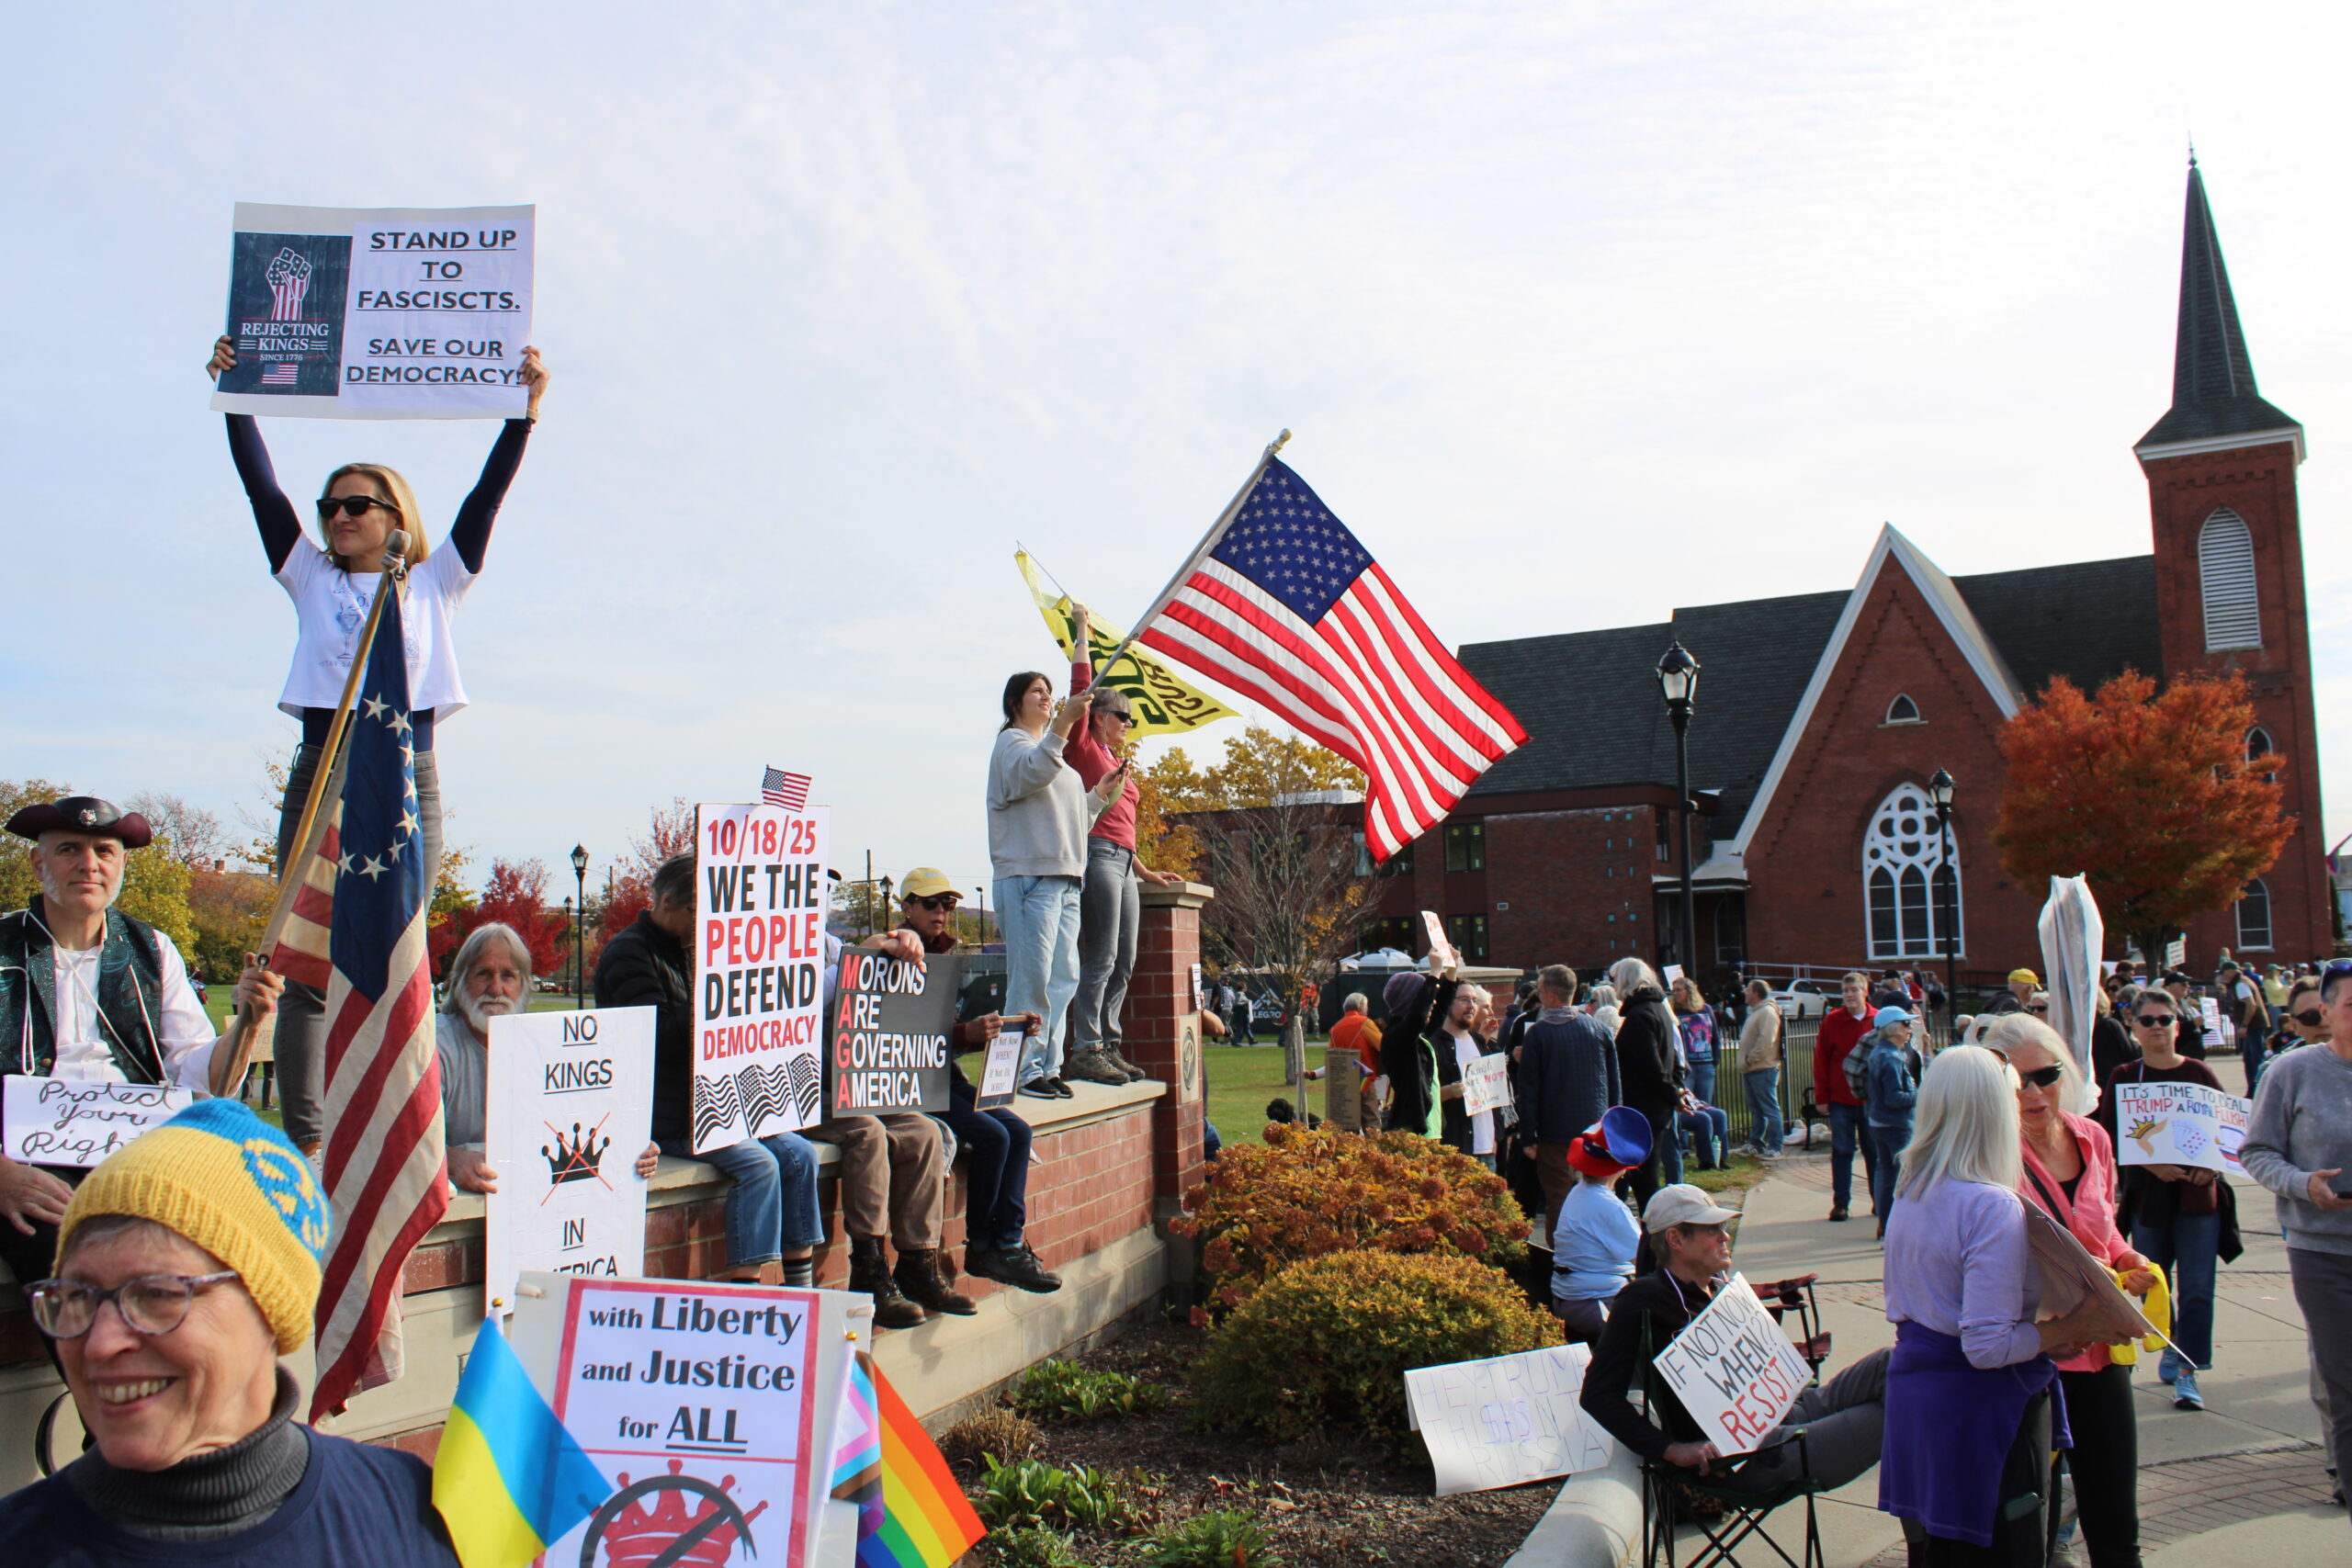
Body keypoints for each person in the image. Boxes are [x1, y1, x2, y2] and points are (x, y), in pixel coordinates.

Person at [208, 335, 548, 1162]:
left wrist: (523, 414)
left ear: (395, 517)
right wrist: (235, 397)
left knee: (394, 951)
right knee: (305, 960)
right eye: (331, 506)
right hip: (324, 770)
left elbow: (485, 501)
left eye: (357, 504)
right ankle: (311, 1144)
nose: (338, 517)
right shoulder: (310, 577)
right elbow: (263, 493)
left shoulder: (435, 581)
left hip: (404, 772)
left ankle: (391, 1139)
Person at [0, 1100, 459, 1562]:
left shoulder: (401, 1509)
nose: (99, 1344)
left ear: (268, 1306)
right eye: (76, 1298)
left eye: (156, 1296)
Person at [0, 798, 283, 1300]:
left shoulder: (152, 950)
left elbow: (196, 1076)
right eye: (69, 849)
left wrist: (246, 1024)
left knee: (226, 1238)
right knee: (67, 1255)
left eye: (104, 852)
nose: (89, 864)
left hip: (136, 1146)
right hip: (23, 1157)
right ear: (39, 863)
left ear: (121, 866)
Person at [1880, 1046, 2125, 1563]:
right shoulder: (1990, 1204)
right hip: (1982, 1419)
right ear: (1995, 1108)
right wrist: (2077, 1324)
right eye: (2013, 1094)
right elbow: (1987, 1347)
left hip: (1923, 1404)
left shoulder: (1913, 1186)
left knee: (1937, 1554)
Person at [595, 854, 823, 1292]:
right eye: (697, 911)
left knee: (802, 1154)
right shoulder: (630, 953)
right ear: (666, 902)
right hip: (670, 1116)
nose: (706, 921)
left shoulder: (691, 949)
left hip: (720, 1103)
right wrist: (713, 992)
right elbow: (653, 1040)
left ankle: (801, 1290)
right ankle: (746, 1293)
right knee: (759, 1166)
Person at [1981, 1014, 2160, 1564]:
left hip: (2103, 1351)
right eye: (2018, 1082)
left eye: (2046, 1074)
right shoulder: (1989, 1158)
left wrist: (2131, 1261)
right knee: (2028, 1530)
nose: (2034, 1092)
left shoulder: (2096, 1138)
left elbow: (2103, 1233)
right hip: (2035, 1357)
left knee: (2114, 1518)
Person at [1580, 1184, 1891, 1496]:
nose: (1725, 1236)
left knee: (1892, 1363)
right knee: (1900, 1410)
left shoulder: (1717, 1287)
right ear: (1675, 1239)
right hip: (1749, 1453)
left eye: (1723, 1227)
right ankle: (1929, 1540)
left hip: (1786, 1412)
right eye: (1712, 1229)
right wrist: (1669, 1449)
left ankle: (1931, 1534)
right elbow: (1598, 1394)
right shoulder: (1642, 1299)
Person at [891, 870, 1060, 1294]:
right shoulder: (890, 954)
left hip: (942, 1077)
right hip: (910, 1085)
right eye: (930, 903)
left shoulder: (942, 958)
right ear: (906, 906)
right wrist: (965, 1033)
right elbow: (900, 1035)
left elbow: (941, 1036)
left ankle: (1008, 1241)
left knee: (1018, 1131)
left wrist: (1007, 1029)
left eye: (947, 905)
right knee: (993, 1137)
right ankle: (983, 1245)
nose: (941, 913)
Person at [2236, 957, 2352, 1529]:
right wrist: (2304, 1185)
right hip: (2323, 1251)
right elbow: (2256, 1151)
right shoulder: (2294, 1072)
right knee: (2344, 1380)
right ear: (2326, 1012)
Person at [2090, 992, 2234, 1413]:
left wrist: (2214, 1165)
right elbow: (2109, 1135)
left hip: (2198, 1197)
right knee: (2154, 1282)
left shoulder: (2200, 1074)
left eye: (2165, 1019)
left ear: (2177, 1025)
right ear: (2134, 1028)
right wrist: (2152, 1167)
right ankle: (2171, 1342)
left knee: (2198, 1287)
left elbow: (2230, 1132)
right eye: (2148, 1019)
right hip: (2149, 1198)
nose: (2157, 1026)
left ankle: (2188, 1369)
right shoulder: (2125, 1075)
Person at [435, 921, 655, 1197]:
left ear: (524, 986)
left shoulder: (544, 1045)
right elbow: (400, 1144)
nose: (495, 988)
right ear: (459, 983)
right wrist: (450, 1160)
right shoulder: (436, 1045)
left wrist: (633, 1145)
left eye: (508, 976)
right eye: (483, 974)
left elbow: (582, 1121)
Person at [1061, 612, 1184, 1088]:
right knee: (1102, 955)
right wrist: (1082, 632)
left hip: (1124, 865)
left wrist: (1147, 872)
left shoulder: (1118, 762)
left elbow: (1124, 827)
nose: (1129, 723)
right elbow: (1080, 687)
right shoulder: (1084, 747)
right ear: (1098, 717)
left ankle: (1109, 1044)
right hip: (1096, 857)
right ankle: (1086, 1047)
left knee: (1126, 958)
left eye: (1131, 718)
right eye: (1122, 716)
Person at [989, 669, 1097, 1099]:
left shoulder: (1051, 753)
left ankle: (1046, 1066)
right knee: (1032, 978)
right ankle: (1020, 1071)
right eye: (1037, 691)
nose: (1047, 697)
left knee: (1063, 978)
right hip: (1029, 878)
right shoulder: (1012, 744)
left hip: (1066, 877)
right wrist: (1064, 725)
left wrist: (1099, 797)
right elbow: (1027, 776)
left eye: (1050, 692)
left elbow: (1070, 820)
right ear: (1015, 701)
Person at [1519, 964, 1621, 1236]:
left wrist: (1528, 1137)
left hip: (1555, 1134)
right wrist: (1613, 1129)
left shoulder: (1538, 1035)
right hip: (1596, 1131)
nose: (1538, 998)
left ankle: (1563, 1260)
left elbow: (1528, 1090)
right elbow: (1614, 1084)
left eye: (1540, 992)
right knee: (1598, 1196)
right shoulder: (1599, 1030)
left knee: (1560, 1199)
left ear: (1550, 995)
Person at [1549, 1108, 1651, 1344]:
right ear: (1623, 1168)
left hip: (1571, 1299)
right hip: (1595, 1303)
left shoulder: (1579, 1192)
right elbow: (1645, 1261)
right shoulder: (1608, 1206)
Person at [1607, 958, 1684, 1208]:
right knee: (1645, 1177)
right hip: (1654, 1107)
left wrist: (1674, 1094)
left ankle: (1654, 1237)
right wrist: (1675, 1091)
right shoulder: (1658, 1008)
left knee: (1645, 1181)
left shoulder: (1640, 1015)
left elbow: (1651, 1066)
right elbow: (1672, 1059)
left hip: (1643, 1110)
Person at [1813, 972, 1877, 1223]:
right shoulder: (1832, 1021)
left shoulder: (1878, 1019)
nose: (1849, 995)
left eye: (1854, 990)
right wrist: (1822, 1095)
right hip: (1841, 1100)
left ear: (1865, 992)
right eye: (1846, 991)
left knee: (1874, 1152)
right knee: (1842, 1150)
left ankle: (1879, 1200)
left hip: (1871, 1101)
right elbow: (1821, 1060)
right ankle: (1841, 1203)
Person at [1377, 960, 1461, 1140]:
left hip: (1432, 1127)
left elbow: (1440, 1011)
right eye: (1427, 998)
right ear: (1411, 1002)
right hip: (1413, 1129)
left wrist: (1451, 969)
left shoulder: (1416, 1036)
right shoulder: (1397, 1036)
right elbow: (1418, 1016)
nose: (1432, 1002)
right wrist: (1434, 972)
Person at [1860, 1006, 1922, 1237]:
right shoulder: (1892, 1058)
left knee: (1885, 1174)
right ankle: (1898, 1229)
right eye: (1906, 1025)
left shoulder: (1879, 1052)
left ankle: (1886, 1227)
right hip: (1897, 1126)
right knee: (1902, 1178)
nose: (1909, 1030)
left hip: (1878, 1123)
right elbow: (1894, 1098)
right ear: (1894, 1028)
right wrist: (1920, 1094)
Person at [1439, 984, 1497, 1168]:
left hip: (1487, 1149)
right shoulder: (1435, 1044)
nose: (1471, 1005)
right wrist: (1448, 1091)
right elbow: (1422, 1095)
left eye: (1474, 1000)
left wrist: (1495, 1136)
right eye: (1464, 1000)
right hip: (1457, 1149)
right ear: (1448, 1003)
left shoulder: (1480, 1041)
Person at [1736, 979, 1785, 1159]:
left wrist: (1752, 1059)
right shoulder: (1756, 1012)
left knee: (1770, 1108)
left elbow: (1766, 1040)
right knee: (1757, 1109)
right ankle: (1756, 1143)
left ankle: (1775, 1145)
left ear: (1756, 993)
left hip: (1763, 1068)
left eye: (1748, 990)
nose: (1745, 993)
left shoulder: (1767, 1012)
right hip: (1751, 1069)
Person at [1670, 975, 1718, 1111]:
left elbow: (1715, 1036)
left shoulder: (1706, 1009)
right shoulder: (1675, 1012)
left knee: (1704, 1106)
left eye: (1679, 990)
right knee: (1686, 1105)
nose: (1676, 993)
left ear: (1689, 991)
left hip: (1706, 1065)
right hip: (1687, 1067)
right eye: (1674, 990)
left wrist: (1715, 1061)